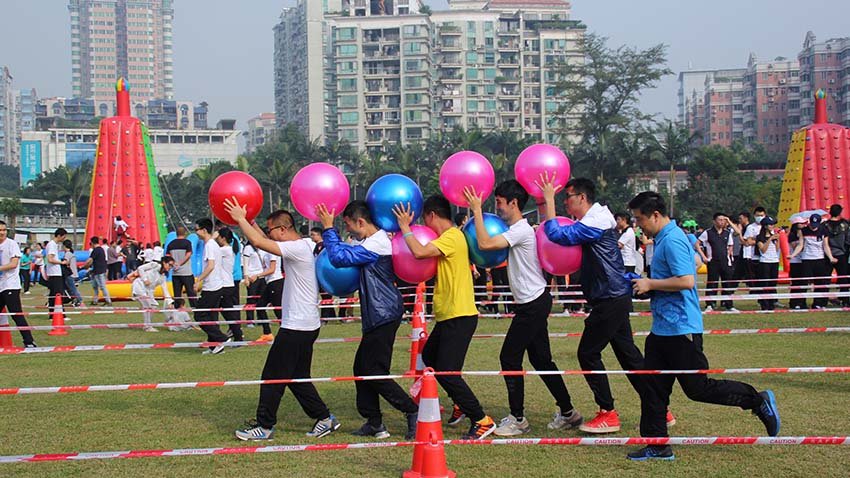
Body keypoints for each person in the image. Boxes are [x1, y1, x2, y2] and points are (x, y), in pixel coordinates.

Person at [626, 191, 779, 461]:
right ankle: (658, 446)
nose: (638, 225)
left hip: (681, 329)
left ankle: (756, 400)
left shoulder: (672, 239)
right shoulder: (666, 238)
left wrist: (651, 284)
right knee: (652, 388)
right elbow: (695, 263)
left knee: (699, 389)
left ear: (656, 215)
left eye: (640, 219)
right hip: (662, 329)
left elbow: (686, 280)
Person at [538, 175, 668, 434]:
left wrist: (549, 200)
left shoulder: (595, 221)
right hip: (612, 296)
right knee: (629, 356)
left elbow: (556, 235)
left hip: (610, 297)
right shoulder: (593, 220)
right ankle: (659, 407)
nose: (565, 201)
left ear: (582, 198)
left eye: (568, 197)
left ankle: (608, 412)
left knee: (588, 353)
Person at [464, 181, 581, 436]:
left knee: (509, 357)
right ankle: (569, 412)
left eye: (499, 202)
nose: (497, 208)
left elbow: (484, 244)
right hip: (533, 301)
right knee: (541, 360)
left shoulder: (520, 230)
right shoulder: (517, 229)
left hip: (532, 304)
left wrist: (476, 210)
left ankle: (518, 419)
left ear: (513, 203)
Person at [224, 198, 341, 441]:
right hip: (307, 324)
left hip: (297, 326)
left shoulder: (296, 248)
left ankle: (264, 426)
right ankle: (324, 418)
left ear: (283, 229)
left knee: (272, 376)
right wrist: (252, 222)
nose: (269, 235)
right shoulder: (306, 244)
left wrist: (240, 220)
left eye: (271, 230)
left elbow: (258, 242)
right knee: (297, 378)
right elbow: (263, 240)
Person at [392, 194, 496, 440]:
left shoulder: (451, 237)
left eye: (424, 221)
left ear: (431, 215)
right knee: (430, 356)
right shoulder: (449, 237)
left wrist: (404, 227)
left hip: (459, 315)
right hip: (449, 315)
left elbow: (418, 252)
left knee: (448, 371)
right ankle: (460, 402)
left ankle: (482, 420)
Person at [317, 201, 419, 440]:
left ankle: (412, 410)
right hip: (378, 314)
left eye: (349, 225)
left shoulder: (377, 244)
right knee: (361, 368)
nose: (349, 230)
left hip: (383, 313)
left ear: (360, 221)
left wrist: (329, 229)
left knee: (374, 371)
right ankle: (374, 422)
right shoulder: (372, 242)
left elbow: (339, 258)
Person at [192, 218, 233, 355]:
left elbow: (210, 266)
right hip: (216, 285)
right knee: (210, 316)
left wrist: (198, 280)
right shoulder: (212, 244)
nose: (195, 232)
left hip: (212, 287)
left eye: (196, 229)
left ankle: (222, 338)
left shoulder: (210, 245)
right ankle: (215, 347)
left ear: (204, 230)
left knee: (200, 315)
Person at [788, 214, 837, 309]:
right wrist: (793, 255)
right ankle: (800, 303)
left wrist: (831, 257)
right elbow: (800, 245)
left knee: (819, 282)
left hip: (819, 259)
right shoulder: (804, 231)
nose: (814, 227)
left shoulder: (823, 231)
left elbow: (826, 246)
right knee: (803, 282)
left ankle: (818, 303)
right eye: (812, 224)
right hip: (807, 259)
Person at [0, 222, 36, 347]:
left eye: (4, 230)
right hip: (0, 285)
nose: (2, 232)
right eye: (0, 230)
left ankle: (29, 341)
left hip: (10, 285)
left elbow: (13, 264)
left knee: (16, 314)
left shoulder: (11, 244)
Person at [696, 214, 737, 313]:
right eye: (719, 220)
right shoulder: (708, 232)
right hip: (713, 261)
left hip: (725, 261)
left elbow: (733, 241)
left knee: (727, 283)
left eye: (723, 220)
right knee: (712, 283)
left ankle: (728, 305)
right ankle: (710, 304)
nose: (722, 222)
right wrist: (704, 257)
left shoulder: (727, 233)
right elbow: (697, 244)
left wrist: (729, 253)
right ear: (714, 221)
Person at [126, 256, 175, 332]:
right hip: (139, 286)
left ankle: (148, 324)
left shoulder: (163, 277)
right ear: (164, 263)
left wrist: (170, 302)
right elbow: (140, 268)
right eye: (170, 265)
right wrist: (145, 279)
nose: (170, 267)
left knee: (153, 306)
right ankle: (147, 327)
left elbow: (165, 290)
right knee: (147, 305)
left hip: (149, 291)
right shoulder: (154, 265)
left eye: (172, 266)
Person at [214, 227, 244, 342]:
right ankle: (235, 332)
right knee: (227, 312)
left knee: (229, 313)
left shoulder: (225, 250)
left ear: (223, 238)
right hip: (227, 284)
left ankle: (238, 335)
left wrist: (211, 238)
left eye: (218, 238)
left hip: (225, 285)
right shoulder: (227, 249)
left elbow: (211, 249)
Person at [824, 204, 850, 307]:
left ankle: (823, 300)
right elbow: (848, 240)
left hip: (828, 254)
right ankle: (845, 300)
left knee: (826, 278)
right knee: (843, 278)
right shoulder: (845, 225)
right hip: (841, 254)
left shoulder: (825, 225)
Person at [309, 226, 335, 322]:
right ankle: (332, 316)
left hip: (324, 274)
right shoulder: (317, 246)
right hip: (320, 274)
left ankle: (325, 318)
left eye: (313, 234)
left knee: (325, 297)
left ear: (319, 235)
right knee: (326, 297)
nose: (311, 237)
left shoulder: (322, 246)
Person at [166, 226, 196, 307]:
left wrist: (174, 264)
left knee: (177, 294)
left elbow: (168, 258)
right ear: (185, 233)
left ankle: (177, 308)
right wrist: (180, 263)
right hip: (187, 272)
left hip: (175, 273)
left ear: (176, 233)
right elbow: (188, 254)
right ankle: (194, 307)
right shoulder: (187, 243)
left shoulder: (171, 244)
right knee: (191, 292)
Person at [755, 217, 780, 311]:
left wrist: (777, 239)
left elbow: (777, 249)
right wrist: (769, 239)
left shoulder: (774, 235)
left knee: (773, 284)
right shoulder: (759, 237)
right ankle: (764, 304)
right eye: (770, 224)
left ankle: (771, 303)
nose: (772, 226)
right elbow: (763, 250)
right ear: (765, 226)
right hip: (765, 262)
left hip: (774, 261)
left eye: (773, 224)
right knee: (765, 284)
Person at [241, 238, 267, 330]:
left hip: (262, 276)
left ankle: (261, 319)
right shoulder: (248, 248)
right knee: (251, 299)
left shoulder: (262, 248)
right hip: (252, 277)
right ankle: (250, 320)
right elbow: (245, 263)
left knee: (262, 300)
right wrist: (246, 277)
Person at [82, 236, 113, 306]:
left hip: (99, 271)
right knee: (95, 286)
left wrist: (83, 266)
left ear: (93, 243)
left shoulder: (96, 250)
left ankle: (108, 301)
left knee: (102, 287)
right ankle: (95, 300)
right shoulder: (101, 249)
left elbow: (90, 260)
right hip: (97, 271)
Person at [44, 228, 68, 315]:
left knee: (54, 294)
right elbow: (50, 259)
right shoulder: (52, 245)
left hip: (55, 272)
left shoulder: (54, 245)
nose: (64, 239)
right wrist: (61, 262)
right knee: (57, 294)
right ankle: (60, 313)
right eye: (63, 237)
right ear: (59, 236)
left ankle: (53, 313)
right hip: (54, 273)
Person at [62, 240, 83, 307]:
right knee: (71, 289)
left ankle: (80, 300)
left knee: (73, 289)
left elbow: (65, 262)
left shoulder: (67, 254)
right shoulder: (72, 254)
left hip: (70, 274)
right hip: (75, 273)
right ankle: (74, 300)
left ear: (64, 246)